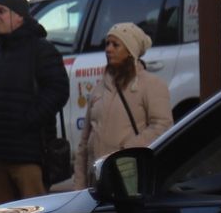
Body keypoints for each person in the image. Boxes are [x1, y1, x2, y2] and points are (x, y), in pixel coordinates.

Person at [0, 0, 69, 205]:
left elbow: (58, 90)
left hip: (29, 153)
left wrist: (26, 119)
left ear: (20, 16)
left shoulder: (41, 50)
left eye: (1, 11)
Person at [74, 23, 173, 188]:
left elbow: (162, 126)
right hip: (97, 180)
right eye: (107, 44)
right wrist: (79, 186)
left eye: (115, 45)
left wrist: (126, 151)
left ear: (130, 51)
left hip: (130, 179)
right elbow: (84, 141)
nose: (108, 49)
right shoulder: (100, 88)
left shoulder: (151, 85)